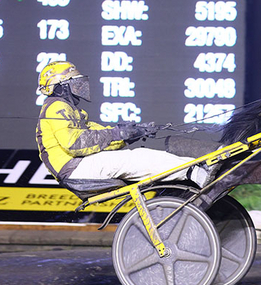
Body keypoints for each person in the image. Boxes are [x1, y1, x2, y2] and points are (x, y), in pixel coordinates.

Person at [35, 61, 212, 196]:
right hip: (74, 168)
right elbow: (75, 143)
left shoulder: (72, 111)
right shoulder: (57, 106)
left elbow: (99, 138)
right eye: (75, 83)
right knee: (139, 157)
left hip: (77, 165)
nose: (80, 87)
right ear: (61, 86)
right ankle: (194, 172)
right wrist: (117, 133)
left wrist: (128, 135)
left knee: (139, 154)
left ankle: (191, 172)